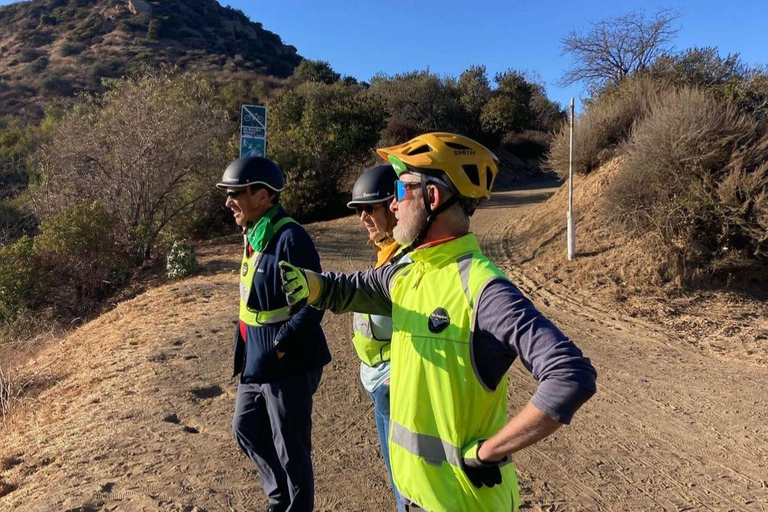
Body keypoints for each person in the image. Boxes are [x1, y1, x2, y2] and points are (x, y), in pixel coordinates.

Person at [279, 133, 597, 512]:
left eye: (402, 188)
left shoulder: (482, 288)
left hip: (463, 502)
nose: (393, 204)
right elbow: (351, 288)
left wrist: (490, 451)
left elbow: (570, 374)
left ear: (432, 198)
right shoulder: (410, 273)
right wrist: (313, 285)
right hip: (417, 495)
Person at [218, 156, 331, 512]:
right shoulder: (254, 232)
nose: (228, 201)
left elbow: (315, 303)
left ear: (263, 195)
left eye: (235, 193)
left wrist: (280, 347)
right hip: (257, 360)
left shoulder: (291, 237)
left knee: (291, 447)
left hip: (288, 363)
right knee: (246, 428)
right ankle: (279, 498)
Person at [346, 164, 405, 512]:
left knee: (405, 484)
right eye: (359, 210)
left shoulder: (406, 260)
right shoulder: (385, 253)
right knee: (396, 476)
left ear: (395, 206)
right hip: (378, 381)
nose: (363, 217)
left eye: (371, 208)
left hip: (395, 383)